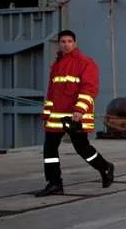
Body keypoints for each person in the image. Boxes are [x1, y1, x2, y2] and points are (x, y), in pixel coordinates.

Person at [35, 30, 115, 196]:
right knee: (49, 149)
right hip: (56, 116)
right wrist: (47, 113)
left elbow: (89, 88)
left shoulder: (85, 63)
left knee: (82, 148)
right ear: (59, 44)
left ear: (75, 43)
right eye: (63, 41)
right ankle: (54, 183)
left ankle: (105, 167)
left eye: (69, 41)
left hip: (74, 115)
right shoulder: (56, 65)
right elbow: (52, 93)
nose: (66, 44)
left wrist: (79, 110)